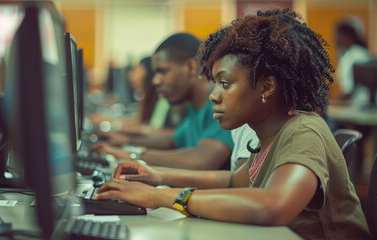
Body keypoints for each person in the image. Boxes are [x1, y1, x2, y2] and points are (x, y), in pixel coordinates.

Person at [95, 9, 371, 239]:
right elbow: (230, 179)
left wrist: (163, 197)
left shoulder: (304, 130)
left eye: (225, 83)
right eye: (215, 83)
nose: (214, 95)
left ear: (267, 86)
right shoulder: (265, 136)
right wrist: (156, 176)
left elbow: (274, 206)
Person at [90, 33, 234, 170]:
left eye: (163, 71)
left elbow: (201, 159)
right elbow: (172, 139)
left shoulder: (219, 102)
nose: (155, 80)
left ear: (190, 67)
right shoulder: (195, 106)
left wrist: (132, 154)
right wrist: (126, 140)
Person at [335, 16, 372, 105]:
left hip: (361, 105)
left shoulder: (358, 54)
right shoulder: (348, 54)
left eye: (337, 35)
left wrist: (338, 102)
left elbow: (352, 89)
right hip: (354, 104)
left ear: (346, 36)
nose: (335, 38)